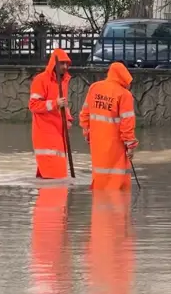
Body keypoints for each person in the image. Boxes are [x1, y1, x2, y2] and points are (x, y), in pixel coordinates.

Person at [79, 62, 139, 190]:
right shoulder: (124, 94)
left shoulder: (94, 88)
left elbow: (85, 114)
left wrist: (87, 133)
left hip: (96, 142)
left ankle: (99, 204)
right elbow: (127, 122)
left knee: (100, 175)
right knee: (117, 180)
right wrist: (130, 145)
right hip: (115, 144)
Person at [28, 48, 73, 179]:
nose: (65, 67)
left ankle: (46, 191)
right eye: (62, 63)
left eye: (67, 64)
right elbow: (33, 105)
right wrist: (54, 104)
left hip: (58, 130)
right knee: (55, 172)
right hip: (45, 131)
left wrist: (68, 119)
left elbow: (64, 103)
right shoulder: (41, 80)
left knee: (51, 171)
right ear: (54, 64)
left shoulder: (63, 81)